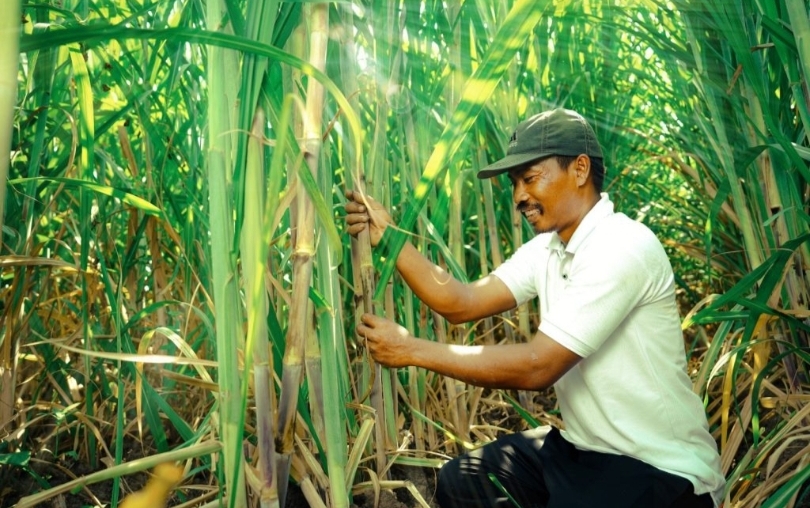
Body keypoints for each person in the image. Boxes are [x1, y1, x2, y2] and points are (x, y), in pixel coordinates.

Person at [344, 108, 725, 508]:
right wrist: (388, 238)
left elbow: (538, 366)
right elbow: (460, 301)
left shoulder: (622, 246)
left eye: (529, 178)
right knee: (462, 482)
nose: (518, 196)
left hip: (660, 471)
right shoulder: (549, 249)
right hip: (582, 452)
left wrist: (412, 350)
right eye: (514, 184)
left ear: (579, 170)